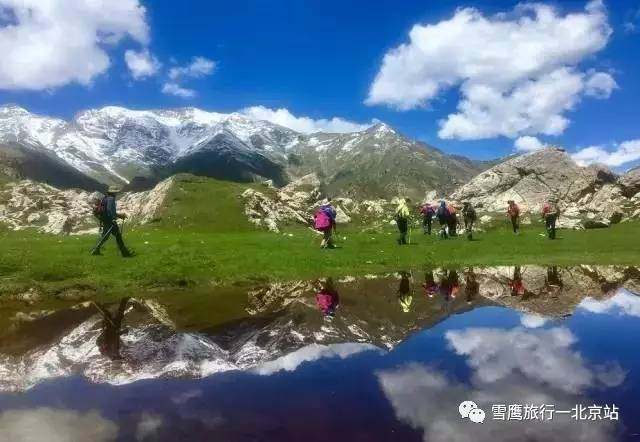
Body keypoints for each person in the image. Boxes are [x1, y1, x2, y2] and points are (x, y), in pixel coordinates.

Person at [91, 186, 133, 257]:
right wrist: (113, 219)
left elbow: (108, 211)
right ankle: (125, 253)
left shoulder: (106, 198)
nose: (116, 193)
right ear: (114, 192)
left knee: (108, 236)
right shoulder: (111, 199)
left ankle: (96, 250)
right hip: (110, 221)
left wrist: (119, 216)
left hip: (106, 220)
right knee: (115, 236)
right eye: (116, 192)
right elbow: (110, 210)